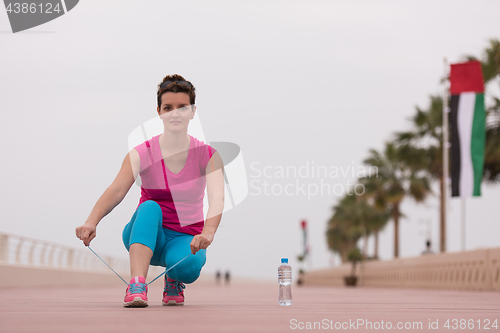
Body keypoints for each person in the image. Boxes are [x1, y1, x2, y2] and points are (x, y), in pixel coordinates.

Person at [75, 74, 225, 307]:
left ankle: (173, 278)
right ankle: (137, 284)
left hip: (185, 238)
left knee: (189, 267)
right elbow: (116, 190)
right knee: (150, 206)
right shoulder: (141, 152)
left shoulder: (208, 155)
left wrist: (208, 233)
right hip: (145, 235)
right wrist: (91, 222)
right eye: (168, 107)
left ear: (193, 111)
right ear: (159, 111)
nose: (175, 113)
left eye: (182, 107)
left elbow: (217, 197)